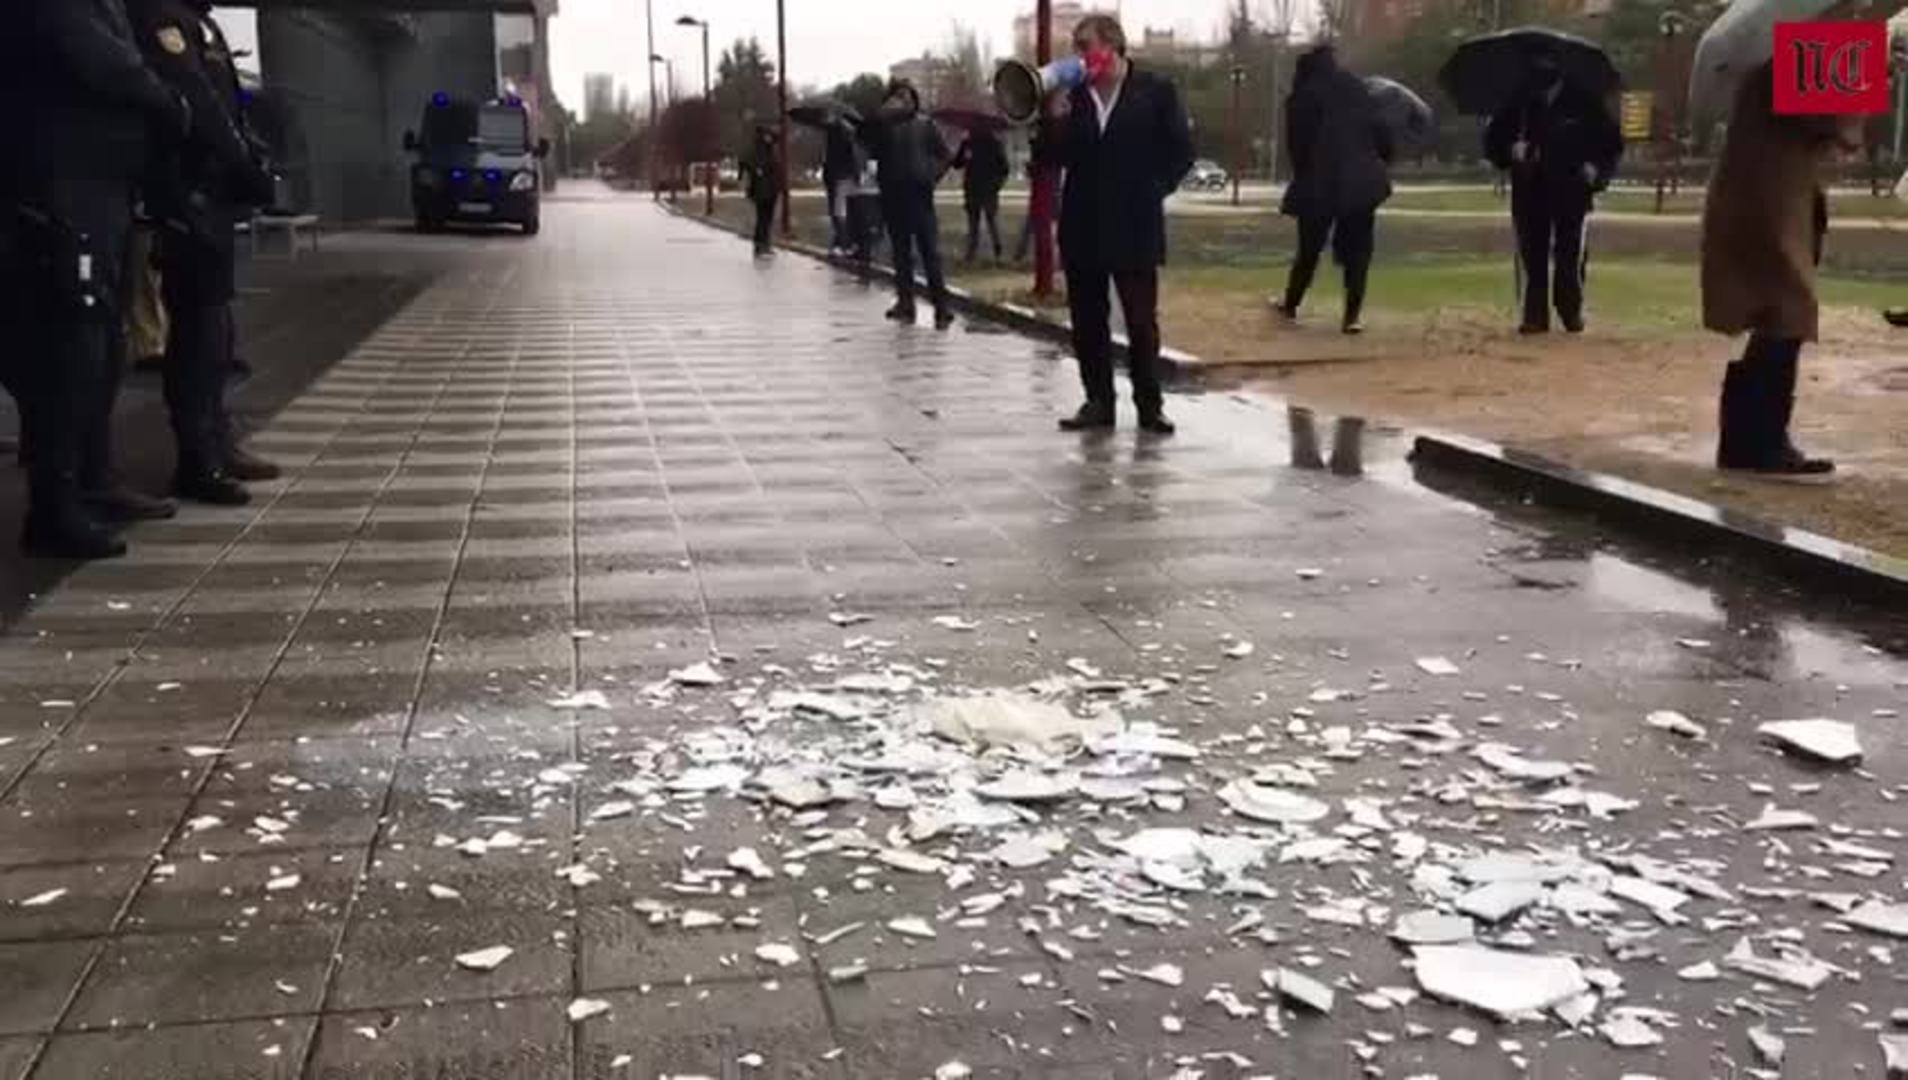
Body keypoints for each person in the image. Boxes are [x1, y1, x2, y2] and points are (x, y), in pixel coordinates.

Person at [12, 0, 190, 558]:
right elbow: (101, 60)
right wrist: (166, 100)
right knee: (71, 349)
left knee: (101, 344)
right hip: (60, 188)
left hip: (95, 187)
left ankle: (92, 479)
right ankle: (55, 507)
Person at [132, 0, 281, 507]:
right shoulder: (160, 16)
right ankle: (197, 459)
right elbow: (195, 99)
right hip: (184, 194)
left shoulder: (201, 22)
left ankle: (218, 439)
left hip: (212, 196)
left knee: (217, 326)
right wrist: (241, 162)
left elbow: (226, 104)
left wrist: (250, 155)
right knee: (198, 328)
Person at [1702, 62, 1860, 478]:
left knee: (1777, 316)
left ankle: (1747, 441)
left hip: (1769, 197)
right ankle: (1760, 442)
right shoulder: (1784, 64)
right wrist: (1865, 80)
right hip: (1768, 203)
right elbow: (1834, 125)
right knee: (1787, 313)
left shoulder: (1770, 62)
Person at [1038, 14, 1194, 435]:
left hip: (1135, 223)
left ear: (1112, 45)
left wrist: (1153, 189)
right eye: (1076, 47)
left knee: (1140, 321)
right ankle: (1098, 401)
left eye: (1085, 45)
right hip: (1083, 223)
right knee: (1088, 320)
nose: (1079, 55)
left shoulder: (1155, 91)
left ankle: (1150, 405)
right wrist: (1054, 119)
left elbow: (1181, 151)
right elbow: (1050, 158)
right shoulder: (1074, 96)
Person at [1484, 56, 1623, 335]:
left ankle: (1570, 309)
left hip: (1572, 186)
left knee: (1569, 252)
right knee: (1531, 252)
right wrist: (1511, 150)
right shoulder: (1518, 102)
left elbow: (1611, 143)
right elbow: (1492, 141)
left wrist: (1597, 169)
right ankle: (1534, 314)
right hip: (1530, 187)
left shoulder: (1584, 101)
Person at [1276, 44, 1393, 335]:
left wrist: (1303, 175)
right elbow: (1382, 132)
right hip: (1362, 180)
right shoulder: (1358, 88)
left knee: (1309, 248)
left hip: (1319, 181)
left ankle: (1291, 303)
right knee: (1359, 251)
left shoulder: (1302, 96)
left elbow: (1297, 146)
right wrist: (1379, 159)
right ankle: (1352, 316)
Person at [864, 79, 953, 329]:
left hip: (920, 194)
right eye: (898, 97)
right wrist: (880, 116)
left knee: (929, 251)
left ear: (914, 101)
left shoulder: (926, 125)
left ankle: (941, 306)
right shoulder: (883, 127)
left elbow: (945, 155)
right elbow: (866, 142)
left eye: (907, 97)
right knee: (901, 252)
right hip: (893, 195)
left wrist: (931, 176)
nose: (903, 101)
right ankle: (905, 302)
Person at [952, 128, 1010, 265]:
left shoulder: (979, 143)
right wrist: (997, 183)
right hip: (980, 187)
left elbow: (957, 164)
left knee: (980, 222)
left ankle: (979, 252)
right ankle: (990, 251)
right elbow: (957, 164)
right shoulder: (986, 143)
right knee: (984, 221)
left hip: (981, 187)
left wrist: (996, 184)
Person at [821, 116, 860, 253]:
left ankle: (844, 243)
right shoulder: (848, 134)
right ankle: (845, 242)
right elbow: (853, 157)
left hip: (836, 177)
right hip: (844, 176)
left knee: (838, 212)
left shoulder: (834, 134)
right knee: (843, 211)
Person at [742, 125, 780, 257]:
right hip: (762, 190)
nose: (770, 138)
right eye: (767, 135)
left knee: (767, 219)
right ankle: (760, 245)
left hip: (770, 189)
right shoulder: (758, 151)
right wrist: (758, 173)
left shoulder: (770, 150)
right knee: (763, 219)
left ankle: (765, 244)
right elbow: (751, 166)